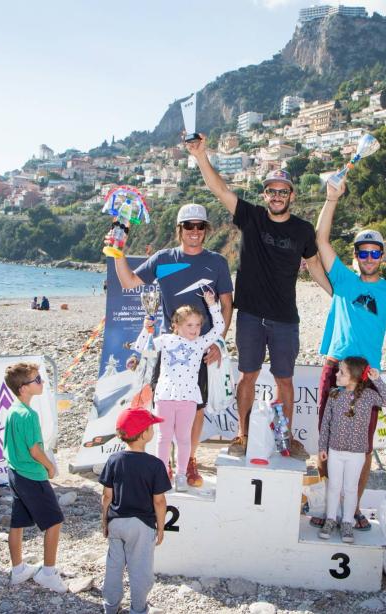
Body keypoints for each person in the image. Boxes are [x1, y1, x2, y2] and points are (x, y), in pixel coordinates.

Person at [186, 135, 329, 460]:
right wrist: (201, 156)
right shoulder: (251, 217)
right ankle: (243, 435)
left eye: (283, 191)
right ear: (265, 194)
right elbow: (219, 189)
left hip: (284, 318)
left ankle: (284, 438)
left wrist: (337, 296)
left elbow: (316, 265)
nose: (277, 196)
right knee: (247, 375)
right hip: (250, 315)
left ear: (291, 195)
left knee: (284, 381)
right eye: (272, 191)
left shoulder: (303, 231)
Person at [311, 179, 386, 530]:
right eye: (363, 252)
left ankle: (353, 508)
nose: (370, 257)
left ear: (383, 257)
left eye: (376, 252)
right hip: (336, 368)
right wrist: (331, 199)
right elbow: (321, 241)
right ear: (356, 255)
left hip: (369, 375)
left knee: (364, 448)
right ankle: (329, 507)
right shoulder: (343, 278)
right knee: (326, 442)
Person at [111, 203, 234, 487]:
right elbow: (129, 282)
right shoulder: (163, 258)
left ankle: (188, 462)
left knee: (197, 408)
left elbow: (227, 304)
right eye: (188, 226)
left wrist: (219, 342)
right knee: (163, 406)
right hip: (168, 350)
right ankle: (164, 464)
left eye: (199, 226)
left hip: (201, 348)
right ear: (179, 229)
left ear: (206, 230)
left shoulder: (217, 262)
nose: (194, 232)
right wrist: (118, 252)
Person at [133, 290, 223, 491]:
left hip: (189, 399)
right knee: (164, 438)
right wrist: (146, 329)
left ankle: (181, 474)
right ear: (176, 326)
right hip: (165, 396)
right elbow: (141, 348)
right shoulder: (165, 340)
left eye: (198, 325)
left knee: (183, 438)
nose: (195, 329)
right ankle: (162, 472)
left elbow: (219, 327)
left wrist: (212, 305)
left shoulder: (200, 343)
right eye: (189, 325)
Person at [99, 407, 170, 614]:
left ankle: (110, 607)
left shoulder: (114, 460)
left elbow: (107, 496)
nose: (154, 430)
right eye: (151, 426)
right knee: (140, 570)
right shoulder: (155, 465)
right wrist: (161, 527)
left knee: (114, 567)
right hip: (141, 525)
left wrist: (105, 521)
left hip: (116, 522)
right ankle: (138, 608)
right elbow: (159, 501)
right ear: (144, 433)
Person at [2, 362, 66, 593]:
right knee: (55, 521)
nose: (41, 383)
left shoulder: (12, 409)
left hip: (15, 473)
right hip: (31, 475)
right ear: (23, 388)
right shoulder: (28, 415)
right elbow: (35, 450)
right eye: (37, 380)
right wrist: (49, 467)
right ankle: (48, 572)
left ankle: (18, 569)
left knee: (18, 521)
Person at [317, 357, 386, 544]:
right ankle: (330, 519)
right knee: (334, 486)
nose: (337, 374)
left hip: (357, 453)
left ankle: (347, 522)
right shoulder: (334, 395)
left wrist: (377, 380)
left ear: (354, 377)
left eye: (341, 372)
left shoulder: (368, 396)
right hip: (335, 451)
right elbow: (326, 422)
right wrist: (322, 447)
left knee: (350, 489)